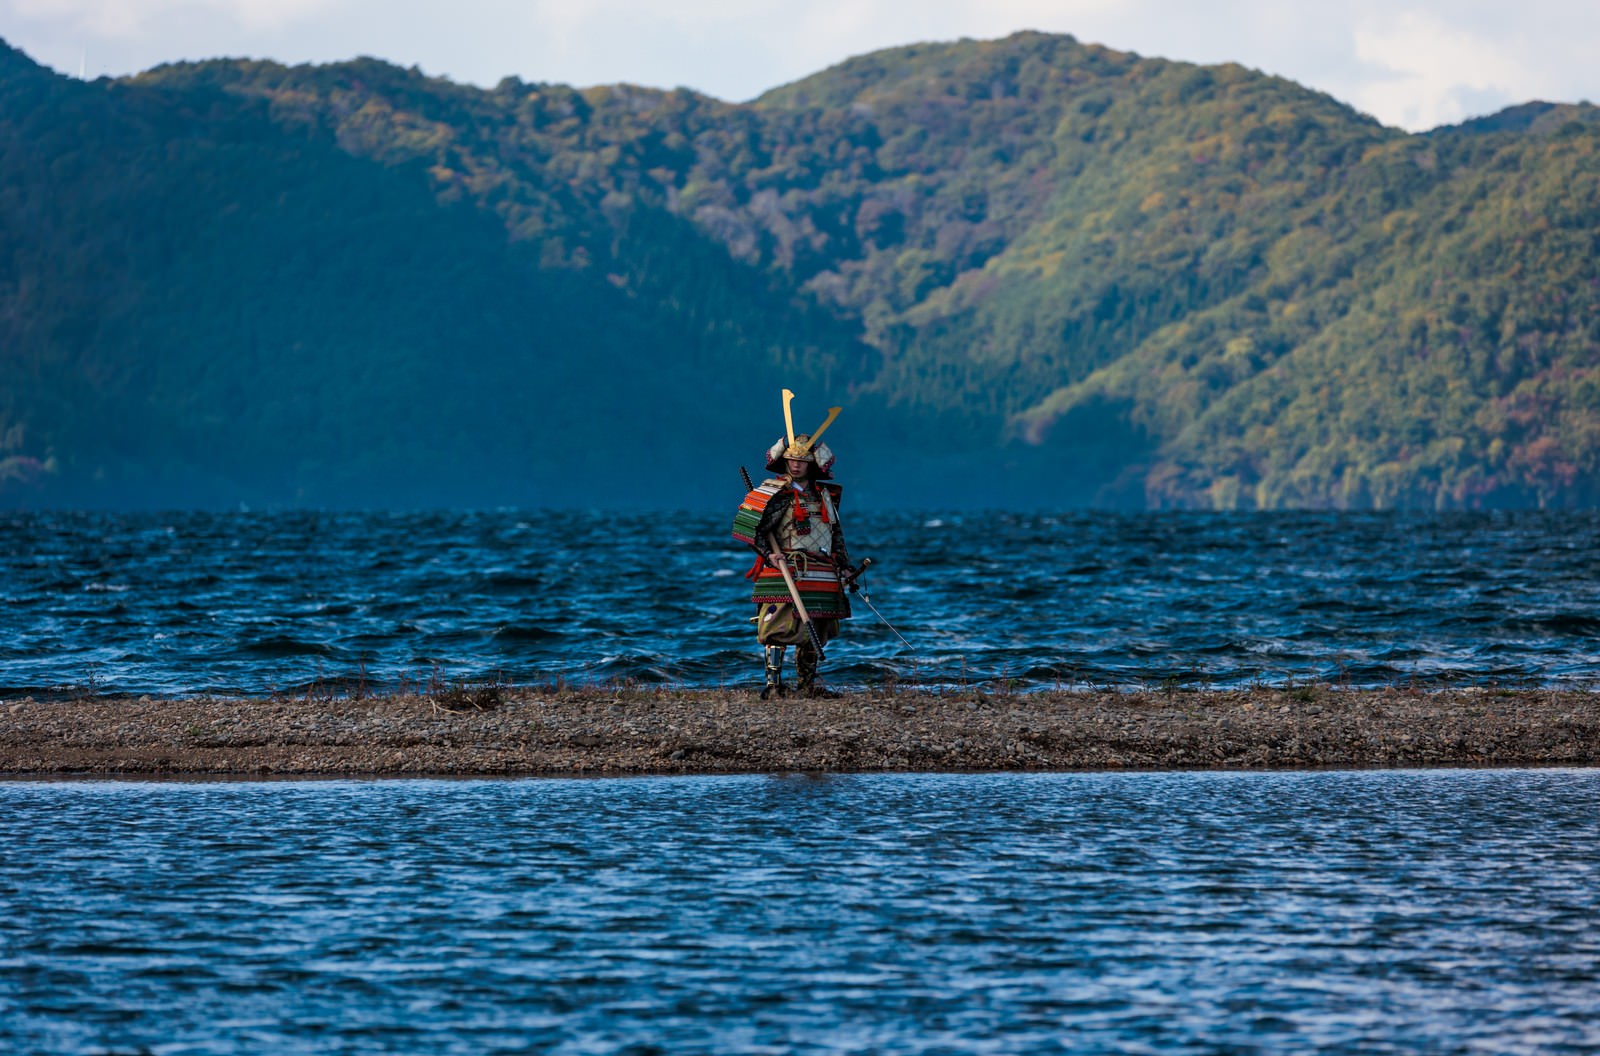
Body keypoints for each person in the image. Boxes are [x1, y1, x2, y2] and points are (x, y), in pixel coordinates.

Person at [732, 399, 854, 698]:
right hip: (785, 566)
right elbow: (750, 528)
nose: (796, 464)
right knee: (778, 628)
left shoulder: (825, 495)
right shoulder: (774, 493)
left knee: (817, 629)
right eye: (791, 459)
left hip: (821, 571)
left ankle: (807, 685)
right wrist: (768, 554)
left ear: (812, 463)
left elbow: (835, 533)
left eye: (801, 460)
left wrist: (844, 564)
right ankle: (773, 684)